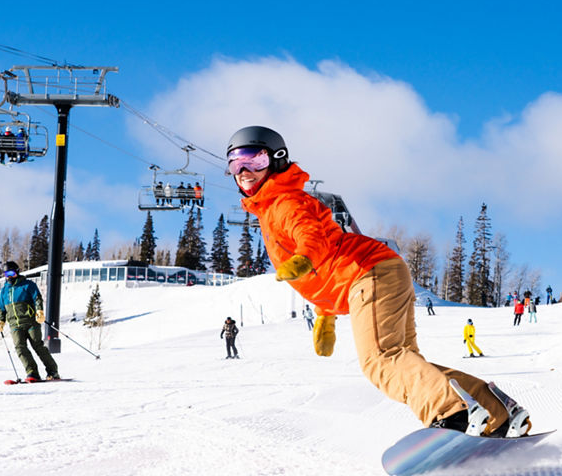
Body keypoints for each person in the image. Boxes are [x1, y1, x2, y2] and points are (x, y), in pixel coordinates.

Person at [225, 125, 530, 438]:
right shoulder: (272, 206)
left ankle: (450, 413)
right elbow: (326, 272)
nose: (245, 170)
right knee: (403, 360)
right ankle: (498, 414)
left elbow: (311, 237)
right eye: (236, 163)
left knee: (381, 361)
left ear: (276, 160)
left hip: (367, 272)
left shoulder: (283, 202)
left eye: (254, 159)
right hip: (378, 270)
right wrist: (324, 316)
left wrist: (304, 258)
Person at [0, 261, 60, 381]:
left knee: (38, 346)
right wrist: (1, 321)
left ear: (17, 272)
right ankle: (32, 372)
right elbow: (2, 307)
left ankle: (52, 371)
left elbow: (37, 298)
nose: (8, 276)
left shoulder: (28, 285)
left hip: (30, 322)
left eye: (10, 272)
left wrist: (39, 311)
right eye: (5, 274)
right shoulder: (4, 290)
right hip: (15, 324)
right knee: (20, 348)